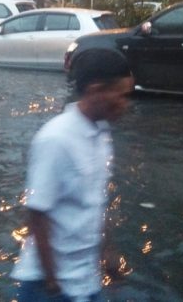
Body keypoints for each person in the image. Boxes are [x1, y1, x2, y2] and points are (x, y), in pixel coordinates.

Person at [12, 49, 134, 302]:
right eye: (120, 95)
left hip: (86, 280)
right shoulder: (56, 139)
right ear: (96, 90)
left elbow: (96, 202)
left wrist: (107, 253)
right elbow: (37, 213)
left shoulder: (101, 135)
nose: (125, 103)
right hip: (49, 287)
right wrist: (52, 281)